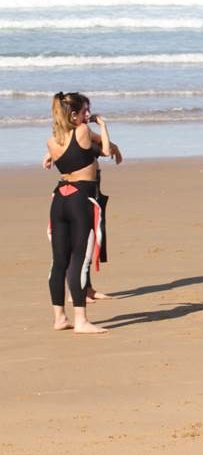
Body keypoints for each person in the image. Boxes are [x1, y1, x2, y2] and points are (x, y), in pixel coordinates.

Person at [45, 92, 122, 333]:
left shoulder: (52, 141)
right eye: (85, 111)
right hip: (81, 200)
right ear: (74, 114)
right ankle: (81, 320)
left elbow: (73, 151)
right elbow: (106, 149)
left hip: (59, 200)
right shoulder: (84, 132)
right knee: (80, 259)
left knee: (58, 262)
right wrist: (103, 125)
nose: (88, 115)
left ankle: (59, 318)